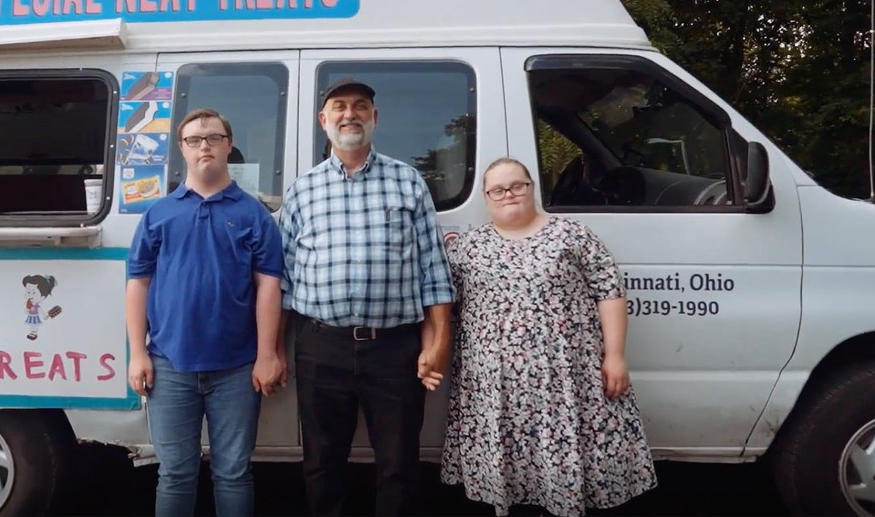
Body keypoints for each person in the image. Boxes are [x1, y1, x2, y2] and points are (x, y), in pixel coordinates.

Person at [441, 156, 657, 516]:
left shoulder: (571, 235)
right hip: (495, 387)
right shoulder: (467, 247)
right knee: (509, 467)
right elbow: (444, 306)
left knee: (563, 457)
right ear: (486, 196)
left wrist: (615, 355)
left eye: (517, 186)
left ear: (531, 187)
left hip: (567, 380)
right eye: (498, 189)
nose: (508, 194)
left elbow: (610, 291)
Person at [279, 78, 454, 515]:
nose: (349, 114)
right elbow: (282, 278)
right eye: (339, 107)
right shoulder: (303, 189)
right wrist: (273, 351)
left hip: (394, 348)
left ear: (375, 117)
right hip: (320, 345)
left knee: (398, 464)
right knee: (321, 462)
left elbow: (433, 271)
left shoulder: (408, 181)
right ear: (324, 121)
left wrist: (437, 343)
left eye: (360, 106)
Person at [125, 108, 285, 517]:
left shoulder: (255, 215)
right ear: (182, 149)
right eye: (195, 140)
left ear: (228, 146)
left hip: (236, 368)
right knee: (175, 474)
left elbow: (269, 286)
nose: (204, 146)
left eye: (213, 138)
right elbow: (137, 284)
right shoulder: (158, 214)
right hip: (169, 366)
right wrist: (138, 353)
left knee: (234, 473)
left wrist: (267, 354)